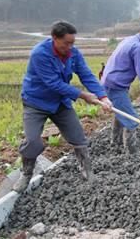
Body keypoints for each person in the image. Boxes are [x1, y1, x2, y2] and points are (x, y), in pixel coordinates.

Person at [14, 21, 112, 192]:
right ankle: (26, 174)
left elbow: (85, 74)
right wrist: (83, 95)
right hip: (36, 102)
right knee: (32, 141)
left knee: (78, 137)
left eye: (72, 42)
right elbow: (53, 83)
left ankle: (86, 170)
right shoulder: (40, 54)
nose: (70, 47)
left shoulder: (73, 53)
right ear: (54, 38)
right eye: (66, 43)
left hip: (60, 102)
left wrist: (103, 96)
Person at [101, 21, 140, 154]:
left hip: (111, 81)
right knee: (131, 119)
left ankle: (115, 144)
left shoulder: (130, 40)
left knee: (120, 113)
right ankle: (132, 153)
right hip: (115, 85)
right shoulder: (138, 47)